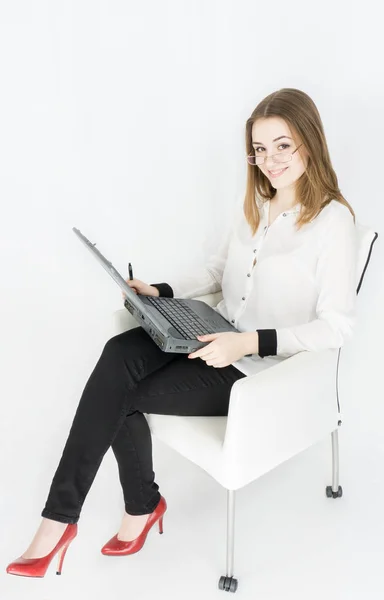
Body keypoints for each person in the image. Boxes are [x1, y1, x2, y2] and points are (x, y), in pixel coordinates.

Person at [6, 87, 357, 577]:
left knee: (121, 394)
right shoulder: (256, 203)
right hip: (212, 334)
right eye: (259, 149)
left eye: (282, 145)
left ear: (310, 142)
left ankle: (94, 516)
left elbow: (336, 328)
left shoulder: (333, 222)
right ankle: (82, 516)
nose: (270, 160)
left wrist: (248, 342)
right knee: (117, 353)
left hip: (256, 370)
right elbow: (215, 274)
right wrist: (159, 290)